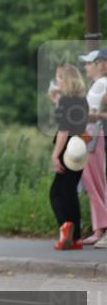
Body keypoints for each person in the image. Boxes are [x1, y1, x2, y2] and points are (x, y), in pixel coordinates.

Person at [49, 64, 89, 250]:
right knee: (70, 192)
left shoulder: (65, 101)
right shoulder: (82, 101)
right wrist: (57, 102)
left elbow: (63, 130)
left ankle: (65, 226)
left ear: (65, 79)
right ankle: (77, 239)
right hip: (79, 150)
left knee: (56, 193)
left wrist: (55, 155)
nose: (57, 80)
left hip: (66, 149)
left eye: (59, 77)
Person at [79, 50, 107, 247]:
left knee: (93, 182)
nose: (87, 67)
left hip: (93, 136)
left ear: (100, 64)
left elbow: (89, 115)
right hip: (93, 134)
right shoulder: (98, 85)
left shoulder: (100, 84)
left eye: (90, 63)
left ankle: (100, 228)